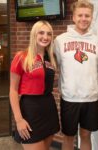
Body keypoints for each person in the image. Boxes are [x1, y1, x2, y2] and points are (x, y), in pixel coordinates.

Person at [54, 1, 98, 150]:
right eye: (80, 15)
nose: (84, 18)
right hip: (69, 98)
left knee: (85, 136)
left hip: (90, 98)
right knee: (68, 137)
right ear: (74, 17)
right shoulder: (60, 40)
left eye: (87, 15)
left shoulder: (96, 41)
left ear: (91, 17)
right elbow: (54, 65)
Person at [9, 20, 60, 150]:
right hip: (30, 109)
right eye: (41, 33)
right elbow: (13, 90)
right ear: (34, 35)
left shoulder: (51, 57)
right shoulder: (21, 57)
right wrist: (19, 119)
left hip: (49, 108)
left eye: (49, 34)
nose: (45, 37)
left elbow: (46, 81)